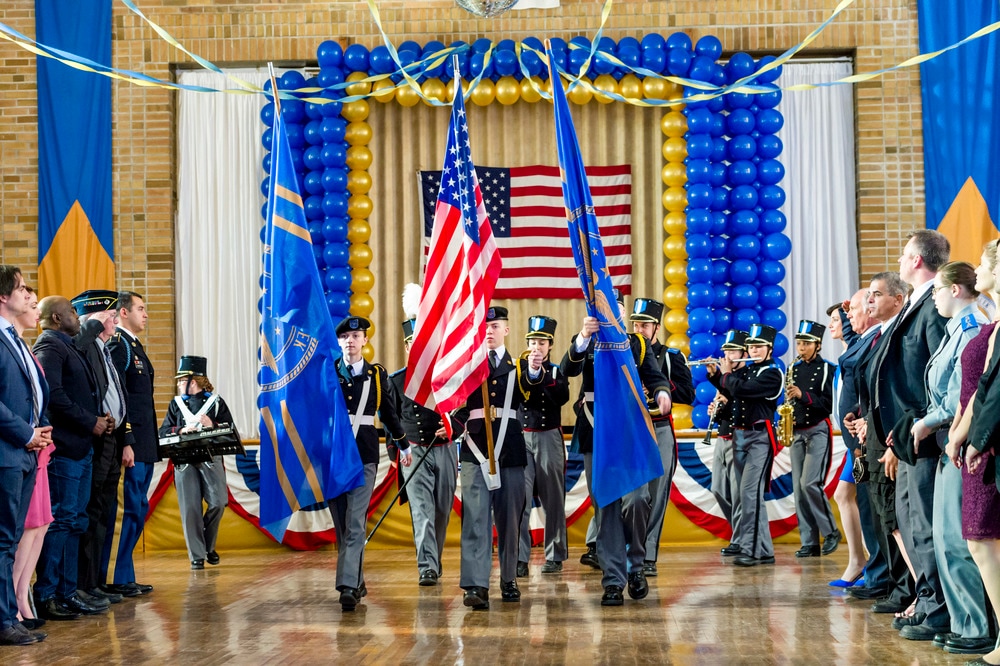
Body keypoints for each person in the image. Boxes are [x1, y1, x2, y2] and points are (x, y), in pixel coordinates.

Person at [561, 292, 672, 606]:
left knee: (638, 499)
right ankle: (612, 581)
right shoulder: (588, 341)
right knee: (607, 506)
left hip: (631, 431)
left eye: (616, 309)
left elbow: (655, 376)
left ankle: (635, 565)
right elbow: (568, 368)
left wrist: (662, 393)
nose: (611, 313)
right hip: (596, 432)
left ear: (621, 315)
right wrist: (583, 336)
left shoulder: (636, 344)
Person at [906, 261, 992, 651]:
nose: (934, 298)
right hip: (946, 438)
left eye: (938, 290)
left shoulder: (971, 328)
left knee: (958, 540)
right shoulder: (954, 330)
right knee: (944, 538)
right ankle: (963, 622)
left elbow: (961, 395)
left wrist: (928, 422)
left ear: (955, 290)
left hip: (957, 437)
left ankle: (975, 627)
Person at [872, 230, 950, 638]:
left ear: (917, 259)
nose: (901, 262)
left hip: (921, 432)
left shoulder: (935, 306)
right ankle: (926, 598)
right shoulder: (917, 304)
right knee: (907, 518)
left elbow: (935, 375)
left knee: (922, 523)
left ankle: (938, 606)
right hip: (902, 433)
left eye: (904, 255)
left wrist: (918, 421)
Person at [32, 295, 109, 619]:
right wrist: (90, 420)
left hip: (81, 448)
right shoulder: (49, 346)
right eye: (70, 313)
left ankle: (68, 591)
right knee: (62, 521)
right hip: (65, 449)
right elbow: (55, 396)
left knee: (75, 521)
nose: (76, 317)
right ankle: (48, 594)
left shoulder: (67, 344)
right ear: (55, 318)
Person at [846, 272, 916, 616]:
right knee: (885, 518)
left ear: (898, 300)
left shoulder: (895, 335)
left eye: (875, 295)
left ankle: (909, 590)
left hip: (891, 438)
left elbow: (901, 393)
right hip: (871, 433)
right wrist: (863, 418)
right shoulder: (878, 336)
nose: (869, 301)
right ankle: (901, 586)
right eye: (868, 296)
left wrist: (889, 439)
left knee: (895, 519)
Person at [945, 239, 1000, 661]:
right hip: (979, 440)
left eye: (982, 263)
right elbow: (980, 391)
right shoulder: (995, 326)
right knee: (980, 541)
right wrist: (962, 435)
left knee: (982, 540)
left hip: (990, 443)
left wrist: (974, 438)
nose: (975, 268)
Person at [455, 306, 529, 610]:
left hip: (509, 449)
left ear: (506, 330)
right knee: (475, 518)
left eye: (495, 325)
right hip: (475, 449)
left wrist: (536, 370)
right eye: (485, 326)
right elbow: (456, 403)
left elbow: (538, 392)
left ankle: (508, 577)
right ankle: (475, 584)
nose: (489, 330)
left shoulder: (521, 366)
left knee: (510, 519)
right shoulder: (468, 366)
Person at [332, 316, 407, 611]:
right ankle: (357, 579)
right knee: (342, 524)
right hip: (335, 457)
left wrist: (402, 443)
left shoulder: (377, 376)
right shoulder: (329, 373)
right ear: (339, 342)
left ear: (365, 341)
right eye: (346, 337)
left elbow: (388, 414)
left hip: (364, 456)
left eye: (356, 335)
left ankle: (347, 587)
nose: (350, 340)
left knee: (354, 522)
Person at [388, 318, 463, 587]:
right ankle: (427, 567)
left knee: (442, 511)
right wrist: (394, 451)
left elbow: (464, 407)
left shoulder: (446, 378)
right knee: (422, 511)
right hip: (414, 451)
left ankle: (434, 558)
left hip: (444, 449)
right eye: (412, 345)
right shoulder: (396, 381)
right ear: (407, 348)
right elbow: (390, 417)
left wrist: (454, 425)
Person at [0, 267, 51, 645]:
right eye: (20, 288)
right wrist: (25, 432)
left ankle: (8, 616)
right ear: (4, 297)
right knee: (3, 540)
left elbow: (34, 392)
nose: (27, 294)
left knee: (11, 539)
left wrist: (41, 428)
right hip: (7, 450)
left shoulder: (16, 340)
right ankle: (4, 620)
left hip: (25, 452)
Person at [70, 290, 130, 609]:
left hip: (111, 436)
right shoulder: (86, 343)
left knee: (103, 511)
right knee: (89, 511)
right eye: (110, 316)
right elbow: (75, 345)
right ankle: (82, 584)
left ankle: (94, 582)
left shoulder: (106, 349)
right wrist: (91, 326)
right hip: (93, 436)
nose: (116, 321)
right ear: (94, 317)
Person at [707, 323, 783, 567]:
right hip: (740, 436)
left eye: (759, 346)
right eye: (751, 346)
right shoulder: (748, 372)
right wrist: (716, 377)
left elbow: (743, 390)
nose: (754, 350)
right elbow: (733, 394)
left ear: (769, 348)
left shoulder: (772, 372)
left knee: (750, 494)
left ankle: (753, 550)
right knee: (745, 495)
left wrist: (726, 375)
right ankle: (762, 549)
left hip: (759, 438)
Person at [630, 298, 695, 576]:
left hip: (660, 428)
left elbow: (688, 394)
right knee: (633, 495)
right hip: (631, 429)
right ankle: (628, 550)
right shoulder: (626, 351)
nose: (639, 329)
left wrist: (661, 387)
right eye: (636, 324)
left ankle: (648, 555)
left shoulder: (670, 356)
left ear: (657, 327)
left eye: (644, 324)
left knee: (657, 494)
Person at [158, 356, 234, 570]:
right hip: (184, 460)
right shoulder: (176, 404)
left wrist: (213, 424)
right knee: (190, 508)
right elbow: (164, 431)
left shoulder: (216, 402)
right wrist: (181, 430)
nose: (178, 384)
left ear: (194, 381)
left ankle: (208, 546)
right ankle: (197, 556)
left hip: (210, 458)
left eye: (182, 380)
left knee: (219, 502)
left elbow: (230, 429)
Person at [832, 292, 885, 592]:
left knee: (870, 507)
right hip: (855, 441)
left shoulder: (871, 339)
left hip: (865, 439)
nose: (844, 318)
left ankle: (872, 569)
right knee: (862, 505)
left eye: (851, 311)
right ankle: (867, 566)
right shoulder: (859, 342)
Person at [103, 291, 156, 598]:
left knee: (138, 509)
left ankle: (126, 573)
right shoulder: (118, 345)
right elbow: (118, 400)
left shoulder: (133, 345)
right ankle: (114, 576)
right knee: (127, 510)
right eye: (140, 308)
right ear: (123, 313)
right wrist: (127, 441)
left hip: (145, 443)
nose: (145, 314)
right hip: (132, 444)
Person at [10, 286, 54, 631]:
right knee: (17, 531)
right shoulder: (18, 345)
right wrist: (29, 432)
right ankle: (13, 600)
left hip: (36, 446)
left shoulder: (22, 346)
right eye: (26, 295)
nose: (33, 306)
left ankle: (21, 595)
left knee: (39, 526)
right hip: (17, 445)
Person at [515, 315, 570, 577]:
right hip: (522, 437)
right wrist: (531, 371)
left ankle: (555, 554)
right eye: (532, 341)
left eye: (541, 342)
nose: (536, 347)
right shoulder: (516, 369)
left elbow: (561, 397)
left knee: (553, 499)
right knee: (520, 499)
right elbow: (521, 394)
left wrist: (540, 373)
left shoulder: (558, 370)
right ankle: (519, 557)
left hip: (549, 437)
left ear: (550, 345)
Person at [786, 320, 841, 558]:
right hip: (796, 430)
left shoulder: (829, 369)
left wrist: (803, 395)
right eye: (799, 343)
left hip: (818, 429)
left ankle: (830, 532)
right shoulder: (794, 368)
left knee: (810, 483)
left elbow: (828, 405)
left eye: (806, 343)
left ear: (817, 344)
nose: (801, 347)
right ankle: (809, 542)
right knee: (798, 489)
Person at [711, 330, 748, 557]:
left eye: (733, 351)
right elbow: (724, 409)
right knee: (718, 489)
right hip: (722, 437)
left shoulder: (744, 377)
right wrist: (716, 410)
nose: (727, 356)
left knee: (737, 492)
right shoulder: (725, 377)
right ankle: (739, 531)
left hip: (739, 438)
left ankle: (740, 538)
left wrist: (728, 400)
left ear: (744, 353)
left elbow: (743, 402)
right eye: (725, 351)